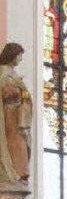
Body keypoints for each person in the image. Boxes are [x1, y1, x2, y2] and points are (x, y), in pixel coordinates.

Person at [0, 42, 31, 182]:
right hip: (8, 113)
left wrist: (25, 98)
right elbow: (5, 92)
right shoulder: (2, 72)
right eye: (19, 55)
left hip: (18, 114)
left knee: (21, 141)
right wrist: (17, 93)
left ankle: (21, 173)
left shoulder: (13, 73)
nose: (20, 59)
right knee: (13, 141)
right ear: (12, 55)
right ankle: (11, 172)